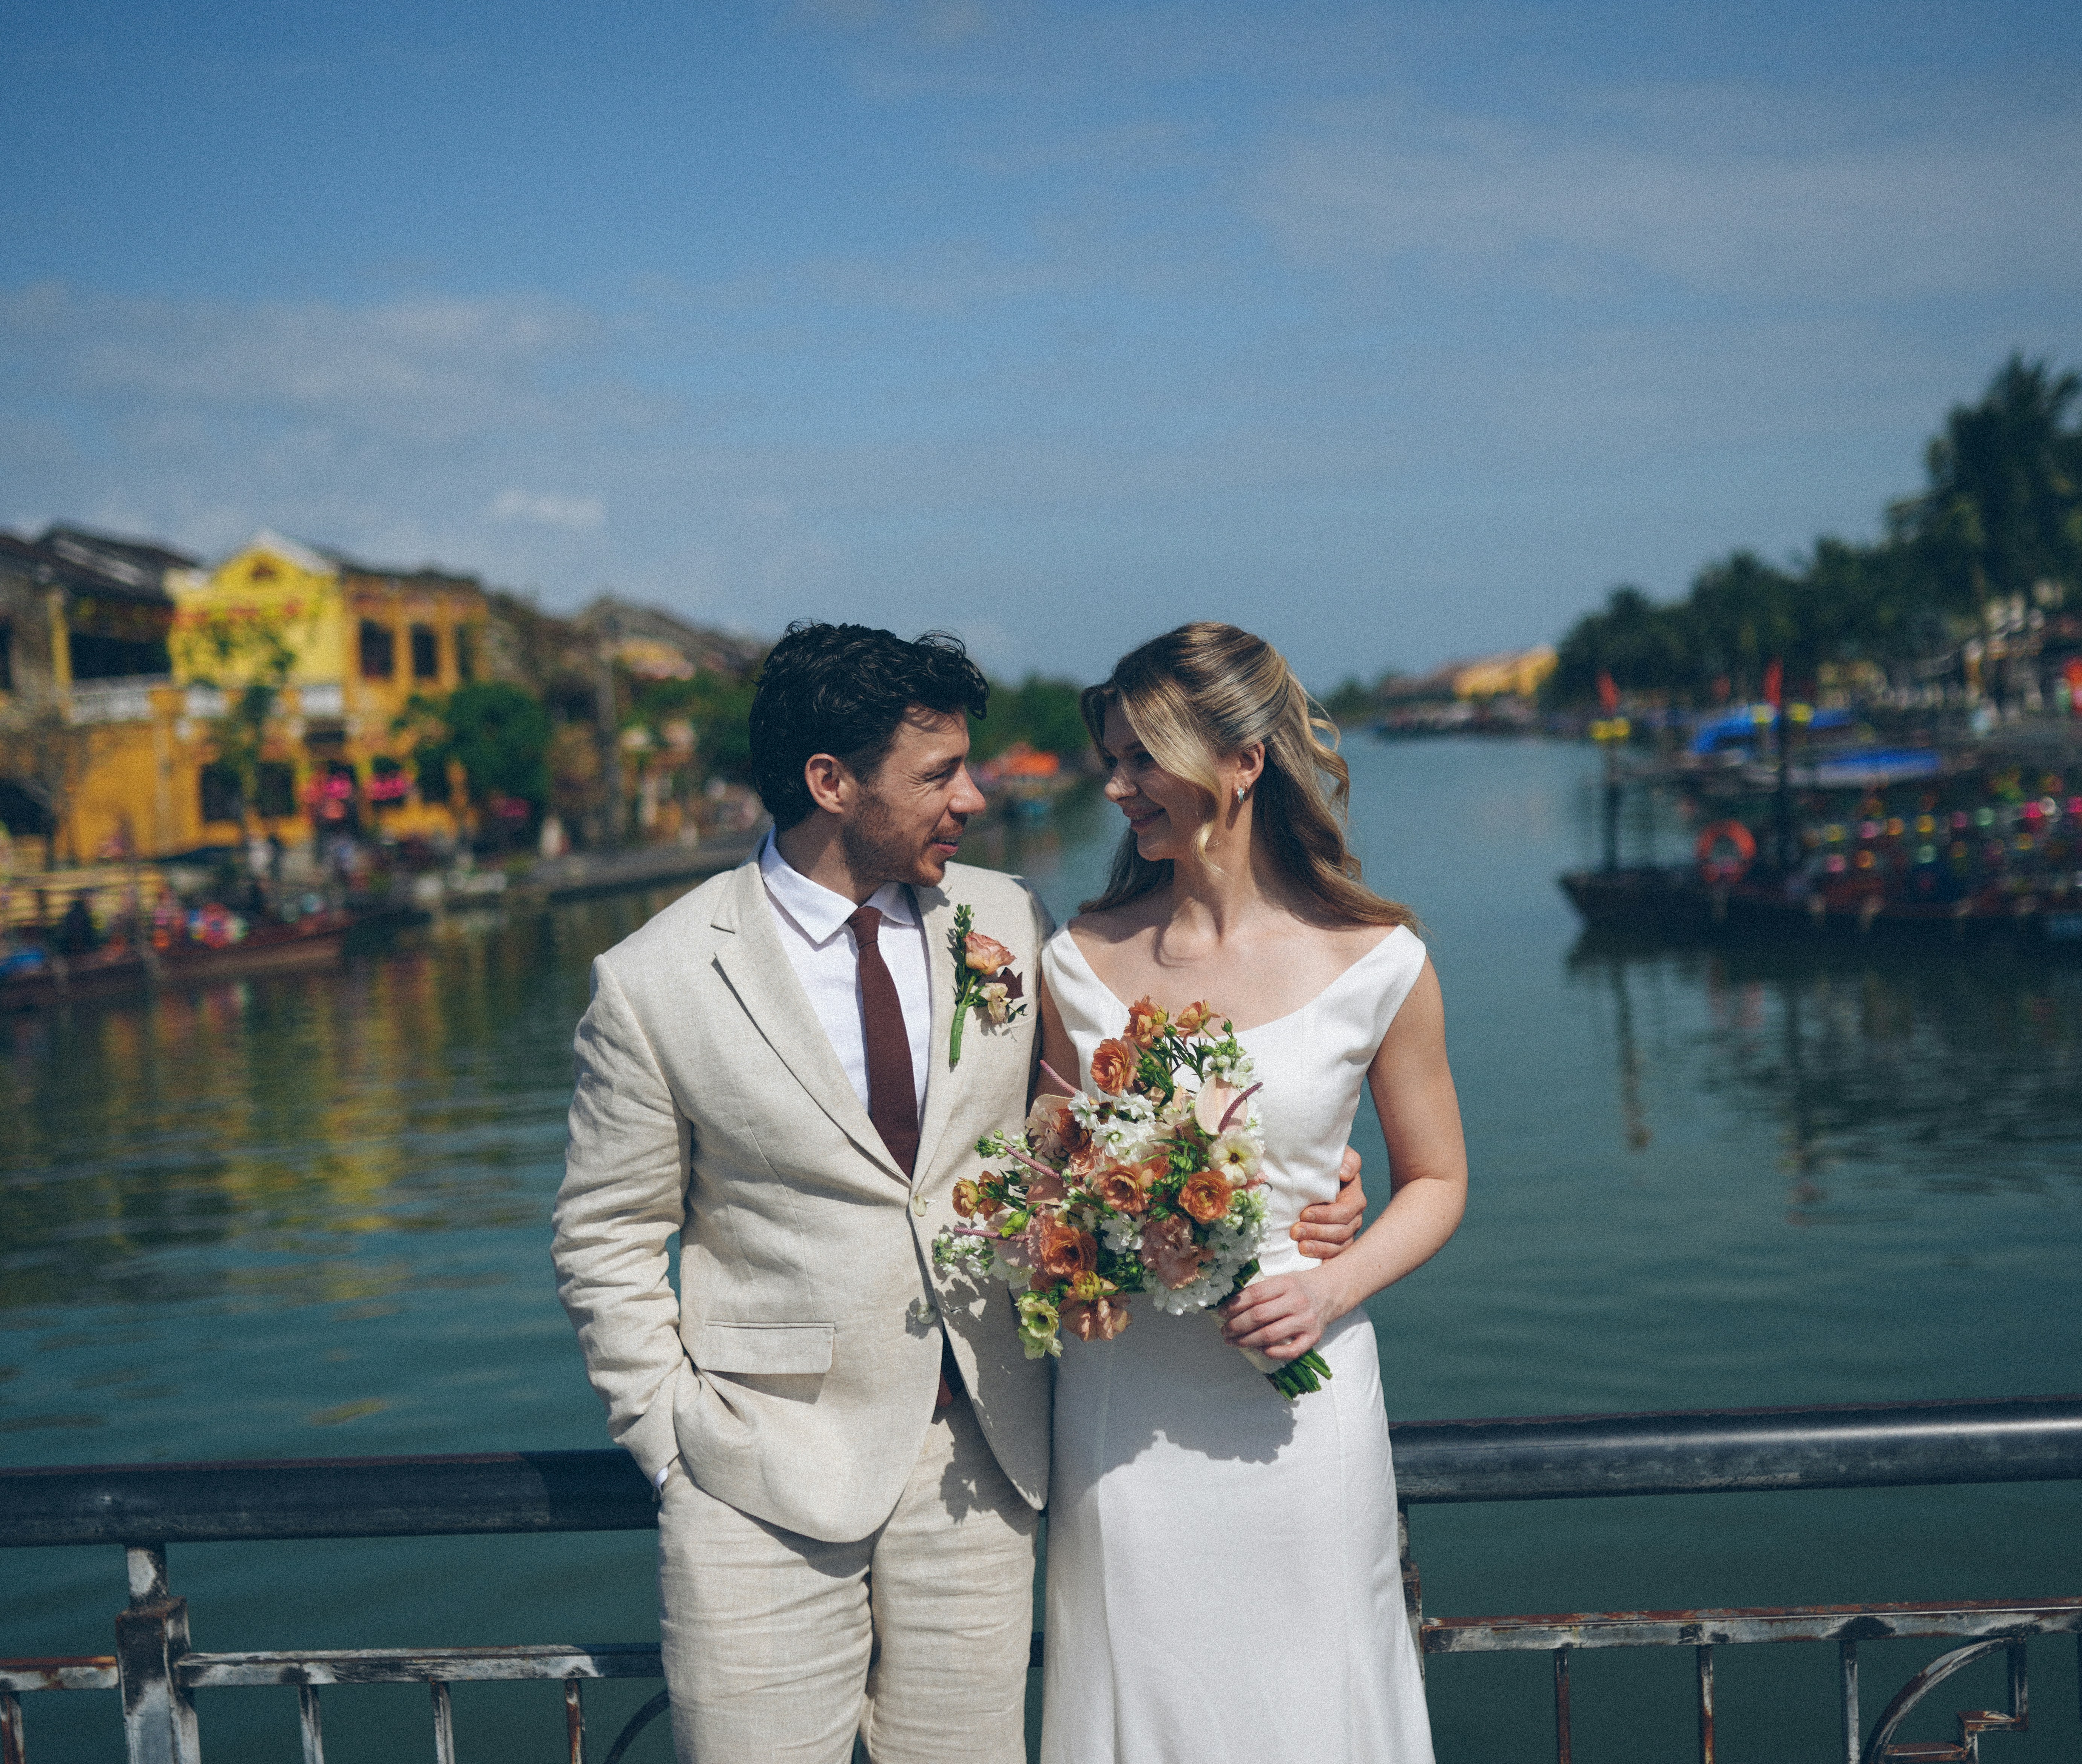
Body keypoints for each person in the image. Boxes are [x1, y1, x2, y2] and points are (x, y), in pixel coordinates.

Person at [549, 623, 1366, 1764]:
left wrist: (1282, 1164)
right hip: (757, 1479)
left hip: (983, 1462)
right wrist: (673, 1446)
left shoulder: (1007, 921)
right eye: (939, 775)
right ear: (831, 784)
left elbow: (1088, 1119)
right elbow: (606, 1238)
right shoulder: (656, 981)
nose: (974, 798)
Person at [1038, 621, 1468, 1763]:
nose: (1117, 783)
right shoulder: (1074, 961)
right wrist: (1081, 1219)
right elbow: (1041, 1171)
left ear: (1244, 760)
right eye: (1113, 756)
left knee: (1310, 1694)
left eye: (1144, 756)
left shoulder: (1378, 960)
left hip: (1296, 1402)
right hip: (1123, 1401)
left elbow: (1439, 1182)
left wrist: (1332, 1289)